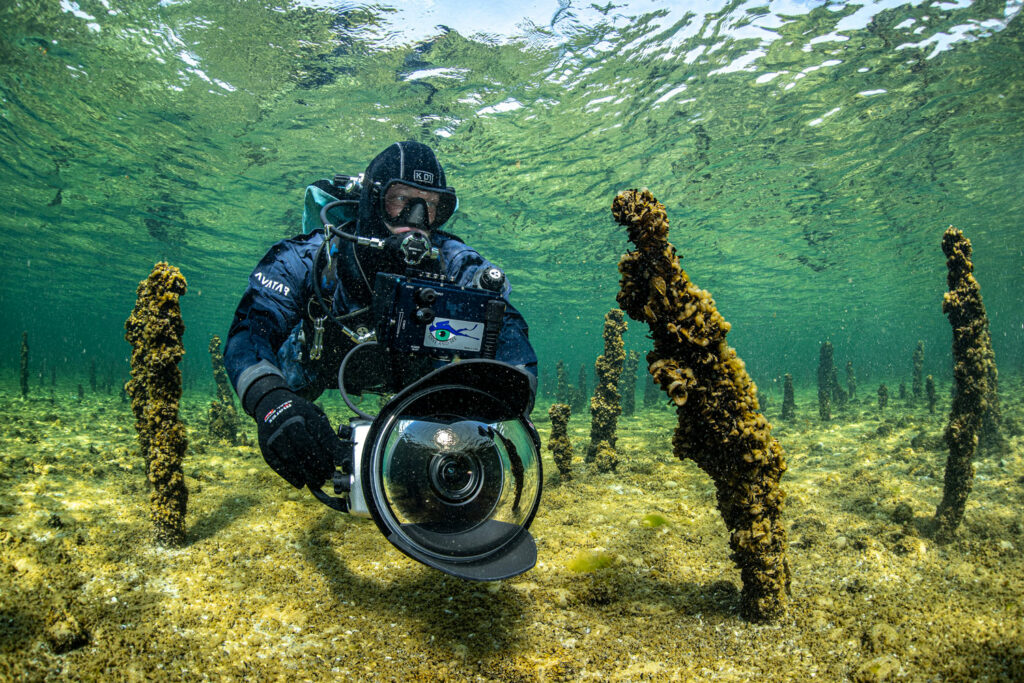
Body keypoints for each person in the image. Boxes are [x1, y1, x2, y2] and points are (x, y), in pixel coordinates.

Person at [224, 141, 538, 490]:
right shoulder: (310, 257)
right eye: (401, 201)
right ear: (373, 201)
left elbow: (505, 322)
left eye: (430, 206)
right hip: (318, 365)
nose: (417, 221)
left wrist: (515, 403)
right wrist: (271, 401)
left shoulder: (453, 261)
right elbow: (250, 329)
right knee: (291, 399)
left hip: (414, 379)